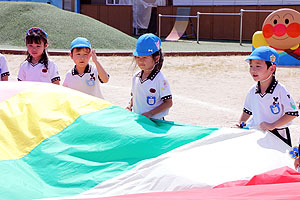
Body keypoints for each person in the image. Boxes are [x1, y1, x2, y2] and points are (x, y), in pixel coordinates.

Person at [236, 46, 298, 146]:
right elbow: (247, 111)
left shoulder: (280, 90)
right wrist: (240, 125)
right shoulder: (253, 91)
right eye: (251, 66)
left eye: (258, 66)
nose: (253, 70)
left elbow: (292, 113)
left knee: (280, 161)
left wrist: (273, 125)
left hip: (278, 137)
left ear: (272, 68)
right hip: (258, 135)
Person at [126, 33, 172, 120]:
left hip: (154, 123)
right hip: (138, 121)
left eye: (144, 57)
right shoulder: (136, 77)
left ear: (156, 58)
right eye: (138, 57)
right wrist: (129, 106)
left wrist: (150, 113)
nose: (140, 61)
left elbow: (168, 102)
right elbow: (134, 96)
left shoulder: (160, 79)